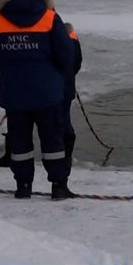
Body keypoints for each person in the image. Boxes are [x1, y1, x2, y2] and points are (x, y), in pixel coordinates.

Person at [0, 0, 75, 200]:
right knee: (53, 139)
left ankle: (23, 186)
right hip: (47, 92)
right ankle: (58, 186)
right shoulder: (49, 17)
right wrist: (53, 74)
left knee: (19, 140)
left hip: (14, 92)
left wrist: (6, 70)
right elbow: (65, 53)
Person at [61, 22, 83, 170]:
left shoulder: (50, 38)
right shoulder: (73, 39)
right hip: (66, 86)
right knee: (64, 120)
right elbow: (77, 63)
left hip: (49, 88)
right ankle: (66, 156)